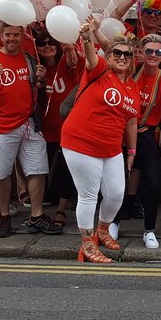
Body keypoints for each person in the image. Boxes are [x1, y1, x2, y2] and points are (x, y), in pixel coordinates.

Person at [0, 25, 61, 238]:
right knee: (1, 174)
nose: (12, 38)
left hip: (29, 124)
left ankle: (36, 215)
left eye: (16, 35)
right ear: (1, 36)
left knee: (38, 170)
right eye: (8, 35)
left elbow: (36, 92)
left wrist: (41, 82)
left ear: (22, 36)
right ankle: (4, 217)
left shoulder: (30, 59)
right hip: (1, 127)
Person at [61, 25, 140, 263]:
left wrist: (131, 151)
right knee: (88, 195)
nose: (122, 57)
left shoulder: (133, 88)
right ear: (109, 55)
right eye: (117, 53)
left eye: (127, 54)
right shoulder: (100, 71)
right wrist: (87, 38)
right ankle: (87, 244)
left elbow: (132, 123)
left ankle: (103, 229)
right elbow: (91, 56)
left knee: (116, 193)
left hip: (111, 148)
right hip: (81, 142)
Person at [130, 33, 161, 249]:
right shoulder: (130, 70)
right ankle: (110, 223)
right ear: (141, 53)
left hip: (146, 134)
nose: (153, 55)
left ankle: (149, 230)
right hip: (120, 133)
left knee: (153, 181)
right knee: (114, 182)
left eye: (158, 52)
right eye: (148, 51)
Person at [36, 32, 81, 232]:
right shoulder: (36, 69)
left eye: (51, 43)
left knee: (64, 169)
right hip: (42, 129)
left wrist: (70, 50)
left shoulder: (66, 63)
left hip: (65, 128)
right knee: (42, 170)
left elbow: (74, 62)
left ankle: (61, 209)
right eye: (42, 43)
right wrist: (38, 83)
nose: (47, 46)